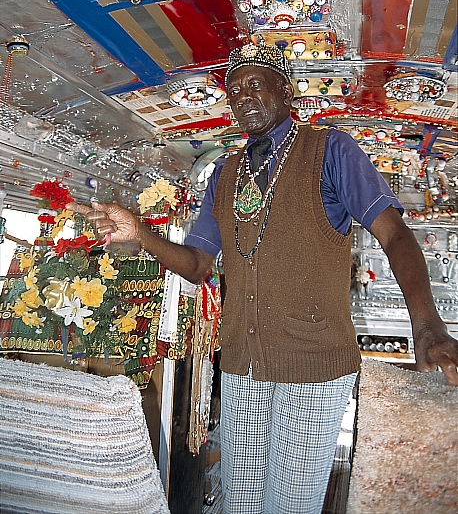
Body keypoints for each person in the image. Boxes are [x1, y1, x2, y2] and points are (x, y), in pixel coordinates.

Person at [68, 44, 458, 514]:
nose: (243, 96)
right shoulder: (226, 172)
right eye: (235, 90)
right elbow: (197, 264)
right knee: (242, 500)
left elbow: (395, 236)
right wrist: (140, 233)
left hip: (312, 367)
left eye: (256, 85)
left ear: (286, 91)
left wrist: (427, 324)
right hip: (240, 366)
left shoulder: (330, 150)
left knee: (289, 503)